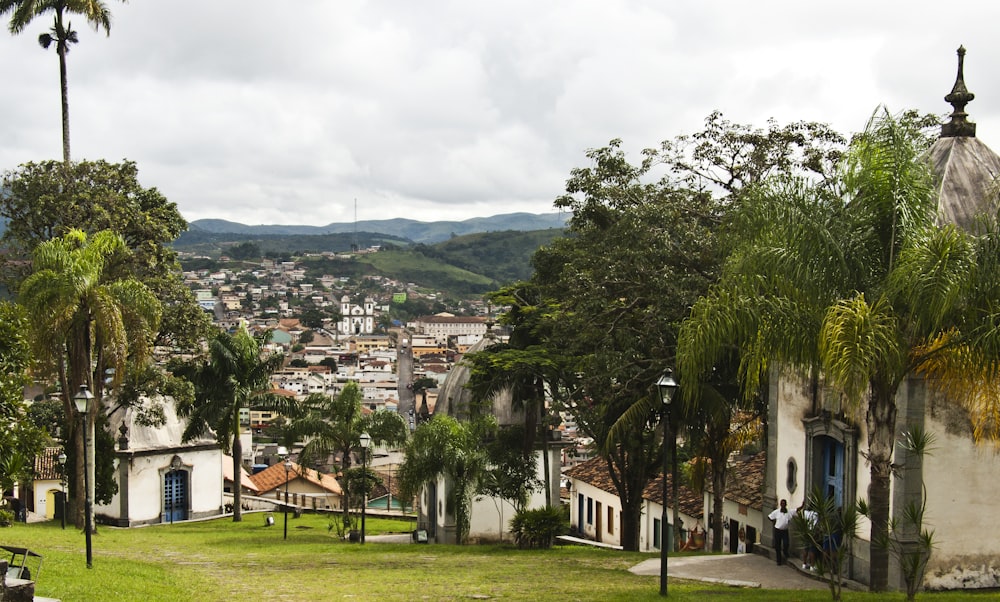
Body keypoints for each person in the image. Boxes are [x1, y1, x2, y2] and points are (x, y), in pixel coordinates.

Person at [768, 498, 791, 565]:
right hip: (778, 530)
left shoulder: (789, 512)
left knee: (786, 543)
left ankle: (785, 552)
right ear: (780, 504)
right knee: (777, 546)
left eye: (784, 504)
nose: (783, 505)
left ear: (786, 505)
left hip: (785, 531)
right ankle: (779, 560)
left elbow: (796, 510)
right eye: (782, 504)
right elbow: (769, 517)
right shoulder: (777, 512)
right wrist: (774, 522)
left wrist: (802, 506)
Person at [798, 503, 819, 570]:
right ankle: (812, 566)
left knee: (805, 549)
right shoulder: (816, 514)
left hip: (806, 531)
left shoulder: (805, 513)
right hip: (812, 532)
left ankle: (804, 564)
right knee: (812, 550)